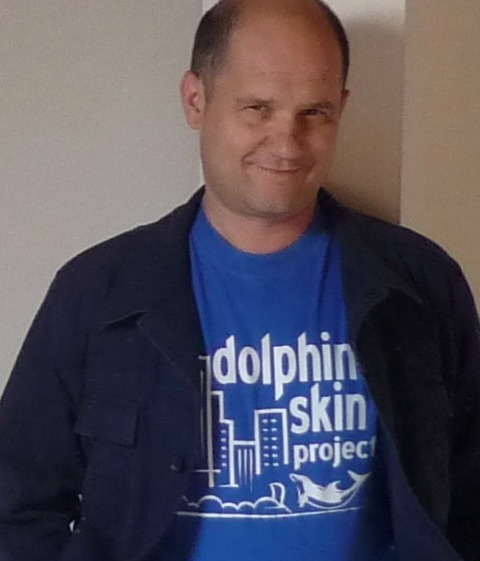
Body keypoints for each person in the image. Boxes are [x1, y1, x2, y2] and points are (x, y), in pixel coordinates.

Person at [0, 0, 479, 559]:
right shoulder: (96, 292)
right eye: (257, 108)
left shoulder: (420, 282)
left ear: (342, 109)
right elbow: (18, 504)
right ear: (195, 100)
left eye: (314, 112)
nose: (287, 142)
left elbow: (470, 486)